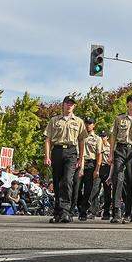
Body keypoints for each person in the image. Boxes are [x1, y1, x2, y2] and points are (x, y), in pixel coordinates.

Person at [43, 95, 86, 224]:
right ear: (63, 104)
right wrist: (47, 156)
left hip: (71, 152)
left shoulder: (78, 121)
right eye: (67, 103)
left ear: (74, 106)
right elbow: (48, 139)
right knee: (57, 182)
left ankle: (66, 212)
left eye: (72, 104)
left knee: (68, 180)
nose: (69, 105)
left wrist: (81, 159)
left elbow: (82, 140)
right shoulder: (54, 120)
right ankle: (58, 212)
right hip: (57, 151)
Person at [109, 93, 132, 224]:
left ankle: (129, 213)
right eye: (131, 101)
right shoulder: (119, 119)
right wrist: (111, 153)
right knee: (118, 179)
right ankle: (116, 212)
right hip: (120, 150)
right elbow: (113, 136)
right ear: (127, 103)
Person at [77, 117, 104, 221]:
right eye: (86, 123)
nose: (88, 125)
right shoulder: (79, 136)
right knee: (76, 188)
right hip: (79, 163)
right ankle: (80, 207)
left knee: (88, 189)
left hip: (90, 164)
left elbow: (99, 155)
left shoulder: (97, 138)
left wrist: (97, 169)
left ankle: (84, 211)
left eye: (90, 123)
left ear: (94, 125)